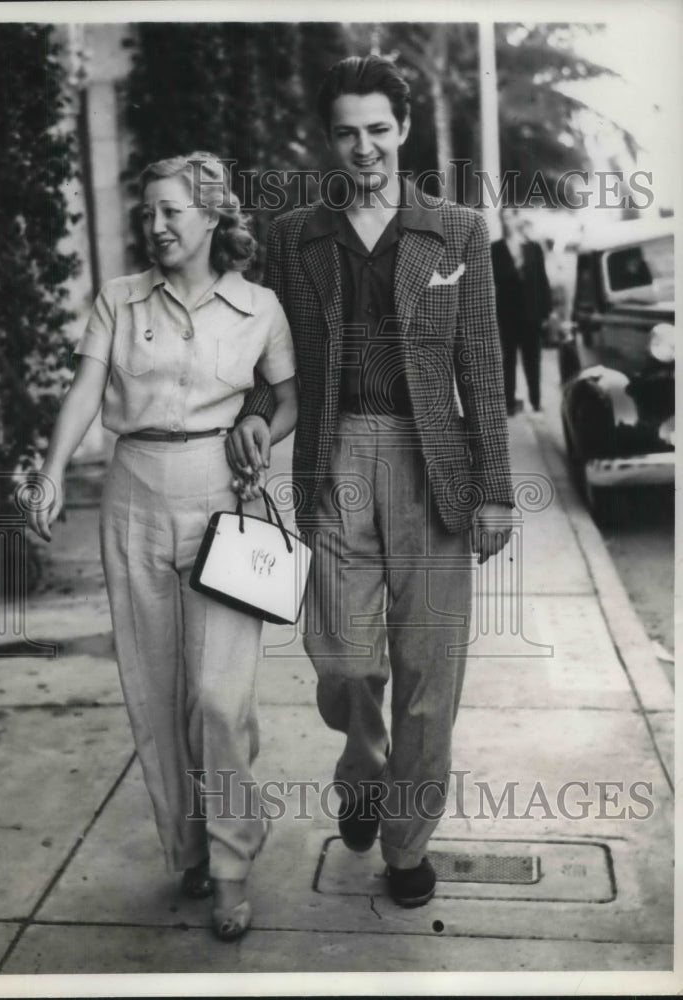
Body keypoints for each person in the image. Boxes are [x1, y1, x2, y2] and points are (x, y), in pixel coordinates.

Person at [228, 55, 514, 908]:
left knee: (429, 676)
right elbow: (273, 366)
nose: (364, 148)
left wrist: (494, 486)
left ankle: (405, 842)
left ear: (404, 130)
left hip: (436, 464)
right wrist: (252, 415)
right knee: (345, 663)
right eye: (346, 132)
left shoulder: (456, 231)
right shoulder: (293, 237)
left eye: (378, 130)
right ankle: (363, 764)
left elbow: (483, 368)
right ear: (328, 138)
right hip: (335, 455)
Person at [28, 152, 298, 941]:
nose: (156, 226)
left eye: (172, 211)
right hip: (133, 491)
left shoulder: (259, 307)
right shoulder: (118, 299)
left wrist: (260, 426)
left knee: (219, 697)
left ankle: (231, 862)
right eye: (147, 212)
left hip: (224, 496)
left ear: (213, 216)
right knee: (153, 687)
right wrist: (49, 472)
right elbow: (85, 390)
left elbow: (289, 398)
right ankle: (187, 845)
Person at [491, 207, 553, 414]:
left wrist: (546, 312)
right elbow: (494, 279)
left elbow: (542, 281)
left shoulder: (533, 248)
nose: (507, 222)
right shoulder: (495, 249)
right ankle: (508, 403)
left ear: (517, 219)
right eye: (503, 218)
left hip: (531, 314)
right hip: (508, 314)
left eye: (510, 217)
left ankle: (536, 401)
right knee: (508, 360)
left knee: (533, 360)